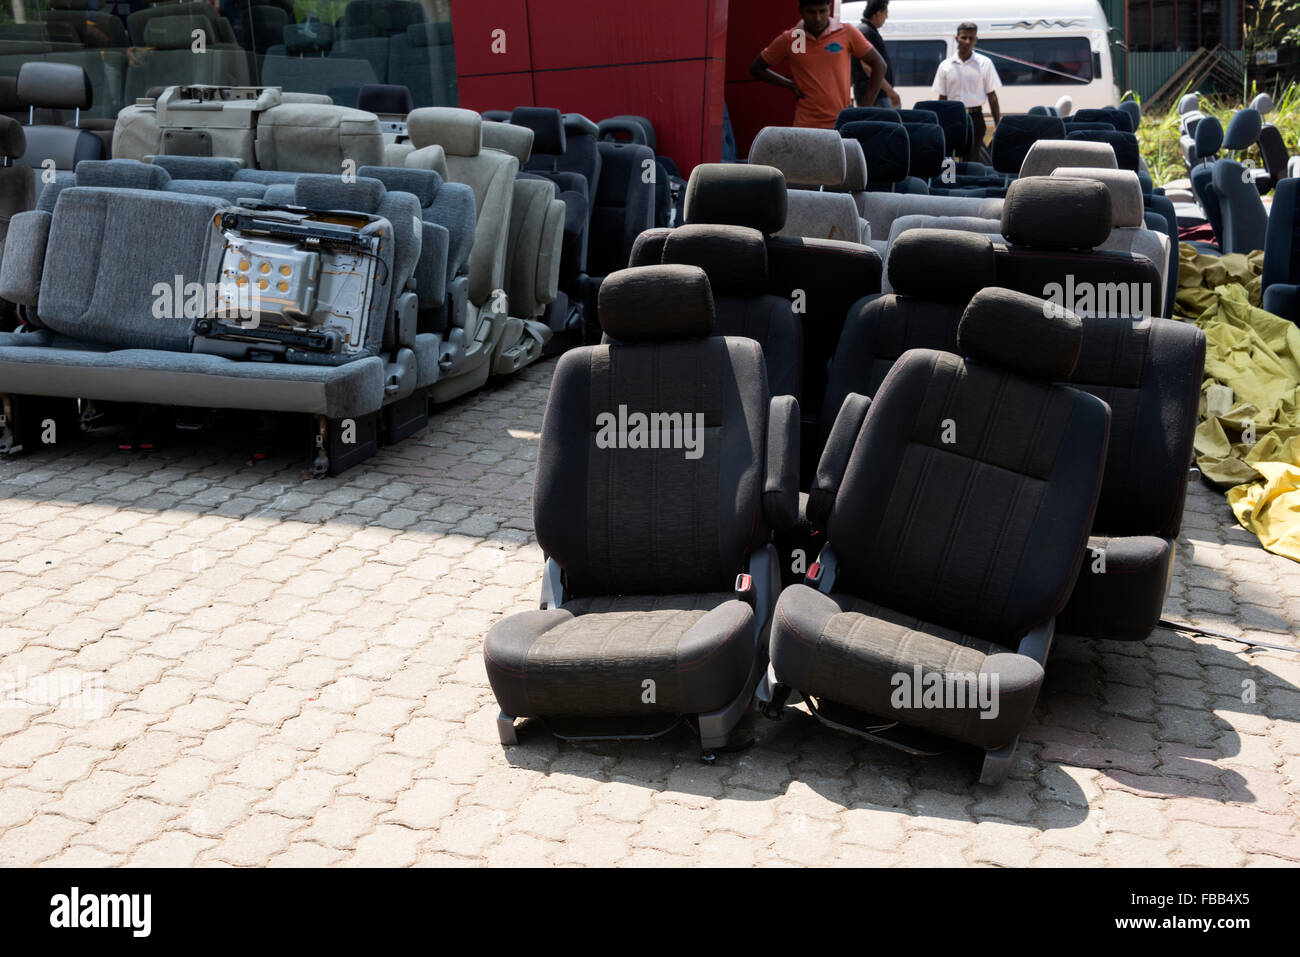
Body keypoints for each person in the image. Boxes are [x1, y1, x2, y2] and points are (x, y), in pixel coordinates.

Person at [750, 0, 886, 129]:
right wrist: (790, 85)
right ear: (801, 11)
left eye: (822, 11)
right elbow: (756, 69)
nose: (818, 18)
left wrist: (862, 111)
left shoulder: (847, 32)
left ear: (829, 8)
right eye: (811, 12)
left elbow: (879, 65)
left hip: (840, 123)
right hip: (805, 125)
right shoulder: (790, 38)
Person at [932, 21, 1002, 161]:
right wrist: (939, 122)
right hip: (952, 117)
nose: (967, 41)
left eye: (971, 38)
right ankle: (949, 182)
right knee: (948, 155)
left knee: (972, 157)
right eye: (964, 37)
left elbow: (992, 96)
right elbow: (942, 98)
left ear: (976, 40)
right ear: (957, 38)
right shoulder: (945, 66)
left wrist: (997, 125)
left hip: (975, 117)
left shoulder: (984, 63)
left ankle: (969, 182)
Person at [852, 0, 898, 107]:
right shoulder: (865, 32)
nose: (886, 17)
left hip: (877, 95)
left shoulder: (869, 31)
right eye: (886, 13)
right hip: (875, 97)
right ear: (878, 13)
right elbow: (868, 67)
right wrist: (889, 91)